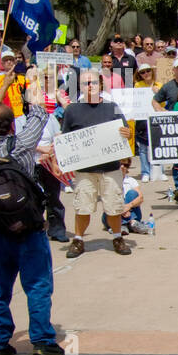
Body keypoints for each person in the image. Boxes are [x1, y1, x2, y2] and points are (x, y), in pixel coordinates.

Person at [0, 102, 62, 355]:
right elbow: (41, 116)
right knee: (38, 285)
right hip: (29, 228)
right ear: (11, 125)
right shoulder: (21, 145)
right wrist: (29, 92)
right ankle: (42, 340)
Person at [61, 70, 135, 258]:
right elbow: (66, 140)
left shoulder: (112, 107)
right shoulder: (71, 110)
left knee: (114, 206)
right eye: (86, 83)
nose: (90, 86)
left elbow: (126, 132)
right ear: (80, 86)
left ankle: (118, 237)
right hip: (85, 170)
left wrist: (128, 134)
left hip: (110, 168)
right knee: (82, 206)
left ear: (101, 84)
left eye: (93, 82)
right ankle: (78, 240)